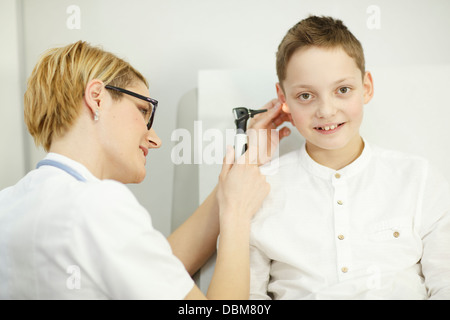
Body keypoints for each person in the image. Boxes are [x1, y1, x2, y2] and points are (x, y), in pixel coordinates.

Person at [0, 41, 271, 299]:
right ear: (97, 98)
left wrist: (229, 186)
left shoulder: (9, 205)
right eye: (143, 111)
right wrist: (236, 214)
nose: (155, 139)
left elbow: (155, 271)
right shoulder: (98, 204)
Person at [247, 16, 450, 299]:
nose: (327, 111)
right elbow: (246, 297)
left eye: (342, 90)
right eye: (306, 95)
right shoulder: (260, 189)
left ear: (366, 87)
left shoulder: (419, 179)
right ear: (283, 98)